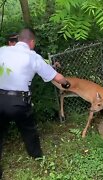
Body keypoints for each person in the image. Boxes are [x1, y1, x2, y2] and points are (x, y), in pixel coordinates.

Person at [0, 28, 71, 179]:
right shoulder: (33, 57)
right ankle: (36, 156)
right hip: (19, 102)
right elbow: (56, 77)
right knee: (28, 130)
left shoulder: (3, 51)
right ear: (32, 42)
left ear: (18, 40)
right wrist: (66, 84)